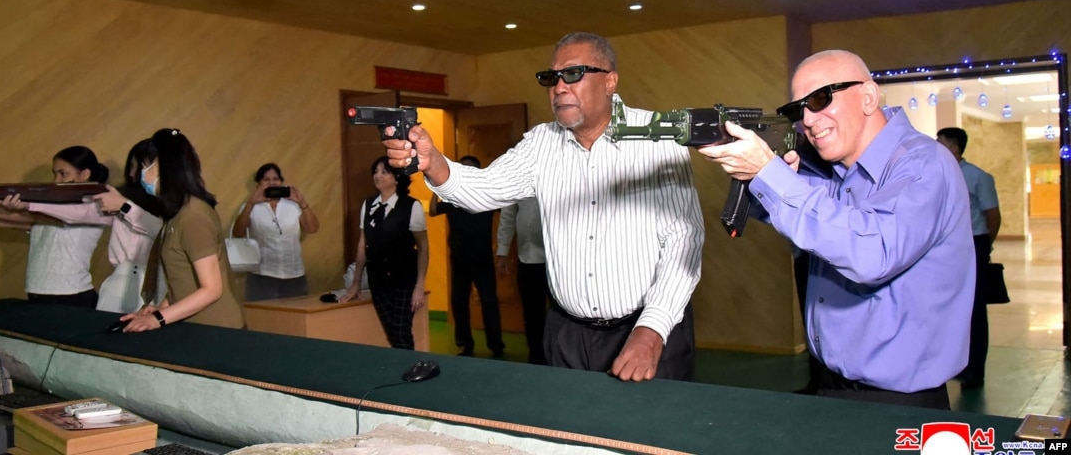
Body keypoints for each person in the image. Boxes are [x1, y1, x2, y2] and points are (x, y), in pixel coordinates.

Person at [383, 32, 704, 382]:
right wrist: (432, 162)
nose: (559, 87)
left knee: (646, 436)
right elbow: (483, 190)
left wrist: (652, 331)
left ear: (610, 81)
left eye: (573, 74)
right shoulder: (541, 144)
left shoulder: (656, 138)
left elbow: (683, 243)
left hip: (647, 331)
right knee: (567, 434)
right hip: (568, 335)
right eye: (551, 78)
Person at [700, 49, 974, 409]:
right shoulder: (843, 174)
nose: (809, 120)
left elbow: (871, 253)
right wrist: (763, 174)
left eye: (820, 98)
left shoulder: (923, 163)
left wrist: (771, 174)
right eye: (798, 110)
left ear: (868, 96)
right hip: (831, 386)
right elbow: (812, 221)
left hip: (897, 402)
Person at [12, 139, 165, 314]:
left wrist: (125, 206)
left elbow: (157, 230)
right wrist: (28, 205)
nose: (132, 173)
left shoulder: (165, 205)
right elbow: (77, 213)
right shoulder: (118, 198)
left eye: (140, 167)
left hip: (153, 282)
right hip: (120, 281)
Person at [117, 129, 244, 330]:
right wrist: (159, 309)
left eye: (144, 167)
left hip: (217, 330)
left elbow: (211, 289)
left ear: (161, 167)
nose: (142, 175)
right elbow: (183, 279)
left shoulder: (194, 216)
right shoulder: (176, 213)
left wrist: (157, 320)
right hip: (193, 326)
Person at [0, 146, 109, 308]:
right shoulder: (50, 207)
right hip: (38, 292)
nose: (57, 181)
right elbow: (18, 220)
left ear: (85, 174)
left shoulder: (93, 207)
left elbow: (39, 216)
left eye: (63, 174)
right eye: (55, 174)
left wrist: (21, 205)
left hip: (71, 295)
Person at [339, 157, 429, 350]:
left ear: (397, 178)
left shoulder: (411, 206)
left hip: (404, 279)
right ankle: (404, 369)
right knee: (392, 332)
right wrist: (355, 283)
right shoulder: (369, 204)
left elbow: (423, 248)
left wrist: (419, 286)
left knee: (401, 330)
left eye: (384, 172)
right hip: (378, 279)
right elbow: (363, 244)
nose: (377, 176)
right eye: (376, 171)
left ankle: (411, 371)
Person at [937, 127, 1001, 390]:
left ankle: (975, 371)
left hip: (974, 244)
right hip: (947, 247)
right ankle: (954, 365)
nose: (935, 147)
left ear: (954, 148)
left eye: (939, 143)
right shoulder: (937, 174)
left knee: (974, 310)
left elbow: (993, 216)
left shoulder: (977, 177)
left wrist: (984, 247)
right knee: (951, 309)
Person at [429, 156, 505, 358]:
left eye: (470, 168)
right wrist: (437, 188)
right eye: (463, 168)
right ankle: (465, 345)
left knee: (489, 302)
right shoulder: (452, 197)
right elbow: (434, 210)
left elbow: (506, 210)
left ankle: (496, 346)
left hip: (482, 258)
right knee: (459, 302)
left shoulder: (487, 196)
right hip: (459, 258)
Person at [232, 163, 320, 301]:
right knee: (262, 320)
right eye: (266, 179)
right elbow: (238, 232)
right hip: (262, 275)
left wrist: (302, 202)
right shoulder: (250, 206)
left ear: (281, 182)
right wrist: (250, 203)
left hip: (294, 274)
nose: (272, 182)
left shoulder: (293, 205)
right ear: (258, 184)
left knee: (295, 320)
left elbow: (313, 228)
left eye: (276, 179)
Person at [496, 197, 549, 365]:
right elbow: (508, 213)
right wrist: (502, 251)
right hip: (526, 257)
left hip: (557, 260)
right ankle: (536, 358)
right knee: (531, 314)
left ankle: (558, 359)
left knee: (561, 315)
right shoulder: (520, 174)